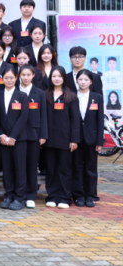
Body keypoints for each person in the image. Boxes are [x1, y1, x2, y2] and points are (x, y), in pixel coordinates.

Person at [45, 66, 79, 209]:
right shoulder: (45, 95)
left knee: (64, 169)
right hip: (48, 140)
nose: (57, 79)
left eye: (59, 76)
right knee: (51, 169)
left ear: (64, 78)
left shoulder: (71, 96)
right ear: (50, 78)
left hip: (65, 139)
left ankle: (65, 197)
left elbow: (75, 120)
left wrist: (74, 139)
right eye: (54, 76)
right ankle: (52, 196)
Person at [0, 65, 30, 211]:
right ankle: (9, 195)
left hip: (18, 139)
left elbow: (23, 118)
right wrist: (1, 135)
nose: (9, 80)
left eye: (11, 77)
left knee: (19, 169)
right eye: (6, 78)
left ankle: (19, 197)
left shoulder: (22, 96)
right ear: (2, 79)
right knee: (7, 168)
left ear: (16, 78)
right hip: (3, 139)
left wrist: (13, 137)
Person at [72, 70, 105, 207]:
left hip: (91, 138)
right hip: (76, 138)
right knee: (77, 167)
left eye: (86, 80)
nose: (83, 82)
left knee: (91, 168)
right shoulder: (72, 97)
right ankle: (78, 195)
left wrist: (99, 140)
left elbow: (100, 120)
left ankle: (90, 195)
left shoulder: (97, 97)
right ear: (77, 81)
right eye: (80, 79)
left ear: (91, 82)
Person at [18, 65, 48, 209]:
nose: (25, 78)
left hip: (34, 133)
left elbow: (43, 115)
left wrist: (43, 135)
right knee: (19, 165)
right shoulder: (15, 91)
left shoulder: (39, 93)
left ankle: (30, 195)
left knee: (31, 166)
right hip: (18, 134)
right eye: (23, 75)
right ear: (19, 76)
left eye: (28, 75)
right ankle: (20, 194)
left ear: (33, 76)